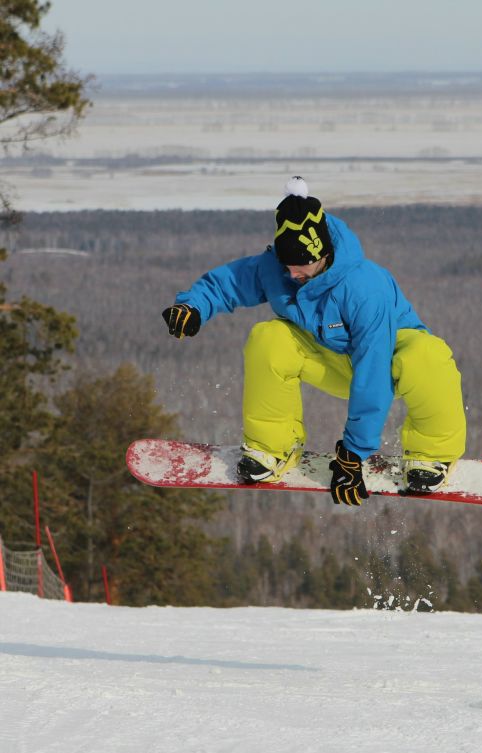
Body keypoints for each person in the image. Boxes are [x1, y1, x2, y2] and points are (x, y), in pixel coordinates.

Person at [162, 177, 466, 506]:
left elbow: (373, 371)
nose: (292, 275)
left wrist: (353, 452)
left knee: (427, 356)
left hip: (385, 365)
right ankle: (271, 448)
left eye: (301, 267)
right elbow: (228, 283)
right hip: (330, 361)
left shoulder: (364, 287)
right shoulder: (279, 267)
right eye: (287, 266)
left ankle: (431, 454)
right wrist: (192, 305)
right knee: (269, 337)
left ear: (322, 255)